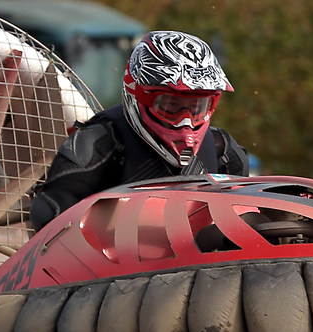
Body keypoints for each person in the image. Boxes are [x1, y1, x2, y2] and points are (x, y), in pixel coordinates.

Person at [28, 30, 249, 228]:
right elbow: (50, 213)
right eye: (171, 106)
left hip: (201, 268)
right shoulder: (98, 143)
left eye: (196, 108)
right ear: (138, 96)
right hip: (111, 269)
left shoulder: (225, 151)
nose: (185, 121)